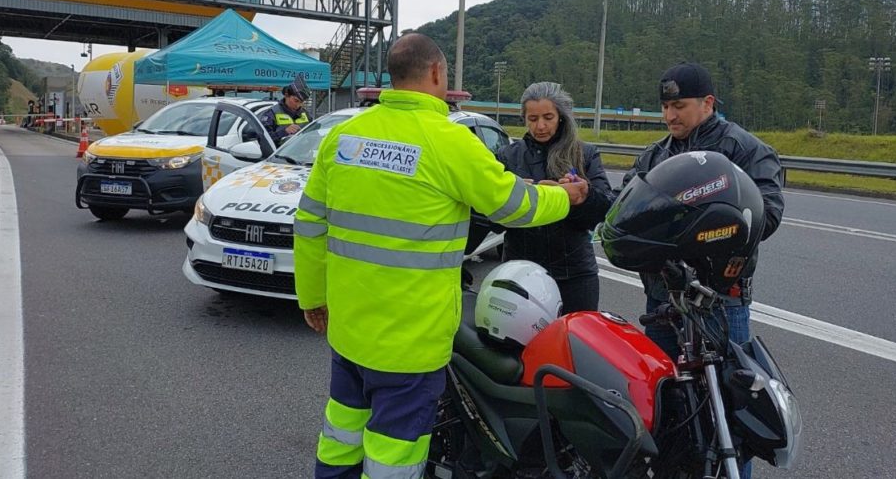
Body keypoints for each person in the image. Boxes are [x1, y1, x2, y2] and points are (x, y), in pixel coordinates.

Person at [294, 33, 589, 479]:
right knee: (394, 453)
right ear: (437, 74)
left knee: (342, 433)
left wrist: (311, 297)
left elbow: (309, 224)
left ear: (392, 78)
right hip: (411, 342)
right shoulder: (448, 142)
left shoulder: (343, 137)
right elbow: (514, 206)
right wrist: (565, 196)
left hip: (349, 330)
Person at [621, 63, 783, 479]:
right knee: (665, 408)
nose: (670, 116)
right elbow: (623, 211)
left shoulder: (745, 150)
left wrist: (699, 233)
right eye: (665, 107)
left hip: (720, 302)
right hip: (662, 301)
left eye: (680, 106)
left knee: (730, 416)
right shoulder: (654, 155)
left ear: (708, 103)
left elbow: (766, 213)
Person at [496, 81, 614, 312]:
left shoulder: (584, 153)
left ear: (561, 116)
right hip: (520, 272)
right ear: (524, 119)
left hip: (575, 274)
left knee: (576, 342)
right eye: (533, 119)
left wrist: (583, 196)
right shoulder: (508, 156)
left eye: (548, 117)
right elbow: (489, 217)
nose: (540, 126)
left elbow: (607, 208)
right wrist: (511, 195)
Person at [261, 76, 310, 145]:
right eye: (296, 101)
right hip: (280, 155)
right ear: (287, 95)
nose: (298, 105)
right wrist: (284, 132)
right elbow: (263, 139)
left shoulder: (305, 114)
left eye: (302, 102)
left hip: (305, 154)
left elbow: (314, 134)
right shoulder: (272, 113)